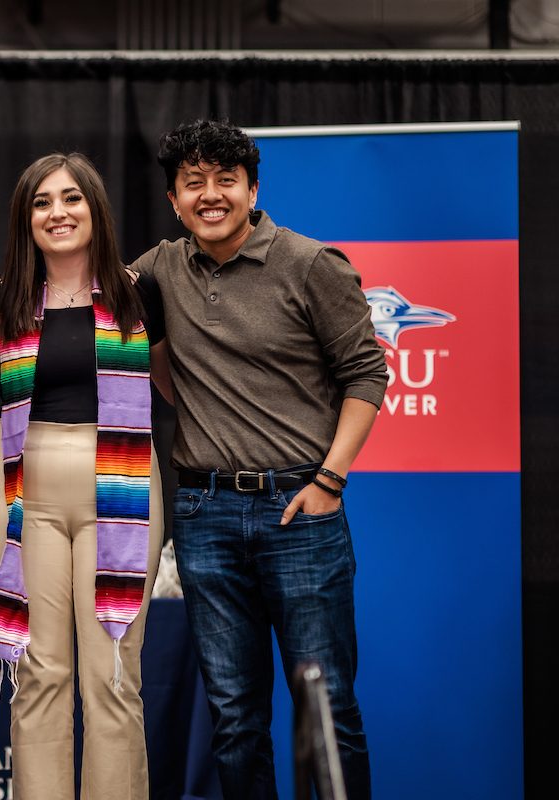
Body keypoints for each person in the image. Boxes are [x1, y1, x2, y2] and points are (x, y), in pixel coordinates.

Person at [132, 119, 386, 799]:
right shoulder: (158, 268)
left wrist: (330, 480)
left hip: (299, 510)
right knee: (236, 720)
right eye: (194, 183)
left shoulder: (311, 264)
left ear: (252, 189)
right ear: (174, 199)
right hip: (203, 514)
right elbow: (77, 293)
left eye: (225, 180)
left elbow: (367, 375)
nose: (210, 195)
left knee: (327, 706)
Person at [0, 153, 166, 799]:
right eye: (41, 202)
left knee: (112, 672)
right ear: (25, 219)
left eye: (71, 198)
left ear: (96, 209)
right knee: (40, 672)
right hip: (21, 487)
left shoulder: (141, 294)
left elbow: (172, 385)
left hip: (121, 480)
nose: (57, 212)